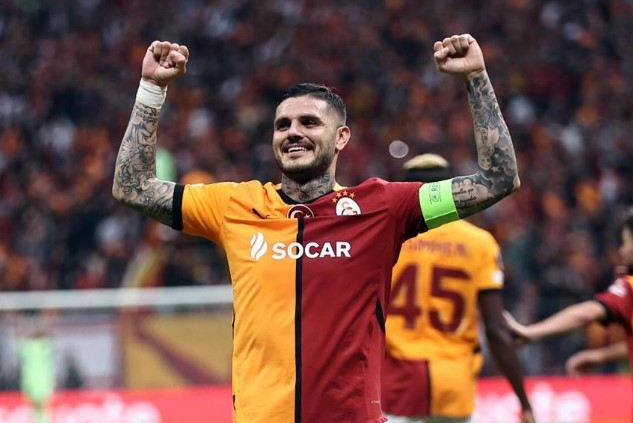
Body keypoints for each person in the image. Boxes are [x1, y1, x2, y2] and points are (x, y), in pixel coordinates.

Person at [112, 34, 520, 423]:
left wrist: (476, 79)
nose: (293, 132)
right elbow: (133, 188)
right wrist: (151, 89)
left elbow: (497, 180)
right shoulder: (234, 205)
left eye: (309, 122)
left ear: (341, 138)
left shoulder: (383, 208)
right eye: (283, 125)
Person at [382, 154, 534, 423]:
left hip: (396, 383)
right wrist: (523, 402)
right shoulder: (479, 243)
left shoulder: (384, 240)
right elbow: (496, 330)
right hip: (454, 386)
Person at [504, 207, 633, 418]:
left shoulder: (629, 287)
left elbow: (587, 313)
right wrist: (601, 356)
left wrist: (530, 332)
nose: (621, 250)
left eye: (626, 242)